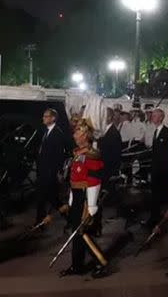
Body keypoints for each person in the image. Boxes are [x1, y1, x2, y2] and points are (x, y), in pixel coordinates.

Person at [59, 118, 108, 278]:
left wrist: (92, 205)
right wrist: (72, 199)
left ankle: (102, 262)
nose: (74, 135)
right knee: (76, 232)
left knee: (83, 233)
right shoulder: (78, 152)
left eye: (77, 132)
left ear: (84, 135)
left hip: (87, 198)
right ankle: (77, 265)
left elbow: (94, 180)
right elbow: (75, 179)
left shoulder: (92, 154)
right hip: (78, 196)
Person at [35, 108, 69, 225]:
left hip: (50, 172)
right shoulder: (46, 131)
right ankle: (40, 221)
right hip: (43, 170)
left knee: (48, 197)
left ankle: (67, 217)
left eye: (46, 116)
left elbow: (59, 155)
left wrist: (57, 172)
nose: (43, 118)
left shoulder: (57, 133)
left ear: (53, 118)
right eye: (43, 116)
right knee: (46, 197)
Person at [145, 107, 168, 227]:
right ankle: (154, 218)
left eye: (155, 115)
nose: (152, 117)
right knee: (154, 196)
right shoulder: (155, 131)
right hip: (155, 169)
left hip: (164, 171)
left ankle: (164, 218)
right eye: (152, 115)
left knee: (163, 195)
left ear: (161, 117)